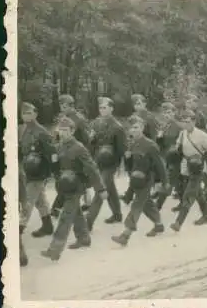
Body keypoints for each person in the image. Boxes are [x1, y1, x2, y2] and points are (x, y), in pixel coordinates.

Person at [41, 117, 106, 261]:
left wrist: (100, 188)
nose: (63, 133)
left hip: (76, 186)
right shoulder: (58, 146)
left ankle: (54, 249)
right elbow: (56, 169)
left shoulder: (79, 148)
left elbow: (92, 168)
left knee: (65, 217)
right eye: (61, 130)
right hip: (65, 186)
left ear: (72, 131)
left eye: (66, 130)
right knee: (76, 213)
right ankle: (84, 238)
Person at [111, 115, 169, 246]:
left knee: (136, 205)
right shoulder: (132, 144)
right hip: (135, 180)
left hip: (147, 179)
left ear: (142, 127)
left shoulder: (150, 145)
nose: (133, 130)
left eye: (136, 127)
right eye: (131, 128)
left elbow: (160, 165)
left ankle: (126, 234)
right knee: (147, 204)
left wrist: (165, 181)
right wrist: (127, 158)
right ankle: (159, 224)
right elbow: (130, 166)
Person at [170, 109, 207, 231]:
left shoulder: (202, 135)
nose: (186, 124)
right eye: (184, 122)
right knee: (199, 194)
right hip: (186, 166)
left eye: (189, 121)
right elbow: (178, 147)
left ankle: (178, 223)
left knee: (189, 193)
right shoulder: (182, 134)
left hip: (198, 167)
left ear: (194, 121)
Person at [86, 97, 127, 230]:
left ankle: (88, 221)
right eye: (101, 108)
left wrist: (120, 165)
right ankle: (117, 214)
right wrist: (91, 140)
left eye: (105, 107)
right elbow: (91, 144)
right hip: (98, 160)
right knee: (110, 188)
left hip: (111, 163)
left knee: (101, 188)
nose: (102, 110)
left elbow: (121, 148)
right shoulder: (95, 123)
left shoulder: (117, 127)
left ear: (111, 108)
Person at [18, 102, 57, 238]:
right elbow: (21, 150)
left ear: (35, 114)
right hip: (28, 170)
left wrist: (52, 172)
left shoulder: (41, 132)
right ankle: (47, 226)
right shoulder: (23, 130)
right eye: (24, 113)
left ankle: (18, 229)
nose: (26, 116)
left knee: (28, 200)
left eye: (29, 113)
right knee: (40, 201)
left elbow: (52, 152)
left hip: (38, 172)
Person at [51, 94, 92, 217]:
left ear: (71, 105)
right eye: (61, 106)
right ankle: (87, 202)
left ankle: (57, 208)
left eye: (64, 106)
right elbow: (57, 136)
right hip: (64, 152)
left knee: (71, 179)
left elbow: (87, 138)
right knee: (74, 180)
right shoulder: (63, 118)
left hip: (77, 152)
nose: (62, 108)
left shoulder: (79, 119)